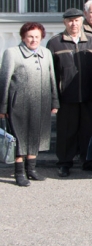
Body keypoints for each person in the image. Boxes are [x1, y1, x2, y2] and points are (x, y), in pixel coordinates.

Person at [0, 22, 59, 186]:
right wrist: (2, 107)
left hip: (41, 103)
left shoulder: (46, 53)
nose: (34, 40)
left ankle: (31, 169)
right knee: (20, 138)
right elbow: (4, 81)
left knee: (36, 136)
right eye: (30, 37)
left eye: (37, 37)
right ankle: (19, 172)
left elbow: (51, 78)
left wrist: (54, 101)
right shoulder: (11, 53)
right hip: (18, 104)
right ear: (23, 37)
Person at [47, 8, 92, 176]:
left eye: (77, 20)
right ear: (64, 22)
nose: (74, 24)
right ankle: (64, 162)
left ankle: (87, 160)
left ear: (82, 21)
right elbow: (51, 73)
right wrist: (54, 98)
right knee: (66, 132)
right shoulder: (55, 42)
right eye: (70, 21)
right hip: (66, 97)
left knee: (87, 130)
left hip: (87, 96)